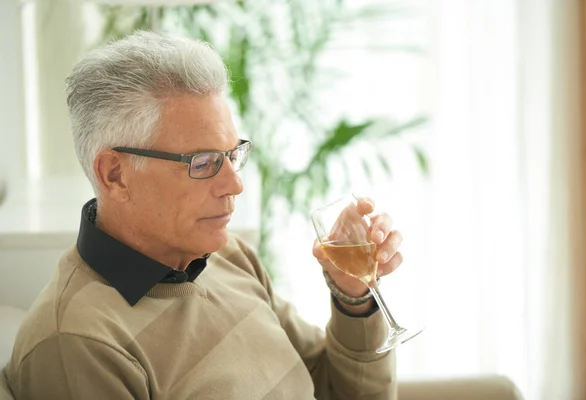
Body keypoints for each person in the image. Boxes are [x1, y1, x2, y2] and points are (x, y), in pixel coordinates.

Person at [4, 31, 404, 399]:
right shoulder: (76, 343)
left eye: (232, 155)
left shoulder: (228, 255)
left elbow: (334, 388)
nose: (235, 185)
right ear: (115, 174)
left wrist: (353, 298)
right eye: (203, 161)